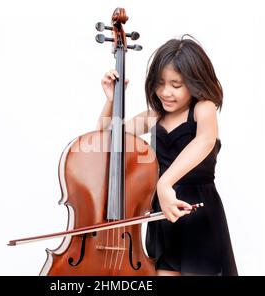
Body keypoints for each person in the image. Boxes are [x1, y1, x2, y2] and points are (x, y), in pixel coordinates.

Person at [97, 35, 238, 276]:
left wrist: (164, 182)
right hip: (163, 219)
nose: (165, 92)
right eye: (160, 83)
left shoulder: (204, 108)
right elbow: (106, 138)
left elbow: (204, 141)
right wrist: (111, 100)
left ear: (194, 83)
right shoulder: (154, 115)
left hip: (198, 214)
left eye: (176, 84)